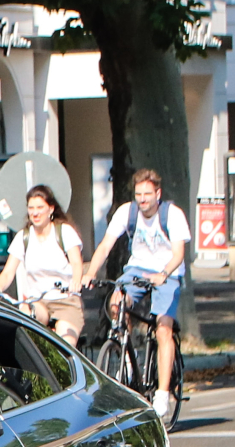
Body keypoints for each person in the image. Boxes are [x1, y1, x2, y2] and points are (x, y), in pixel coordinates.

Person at [78, 167, 191, 421]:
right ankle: (127, 356)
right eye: (138, 193)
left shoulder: (172, 214)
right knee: (117, 303)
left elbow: (179, 254)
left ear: (157, 194)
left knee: (163, 328)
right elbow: (106, 245)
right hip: (137, 270)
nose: (142, 199)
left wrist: (164, 273)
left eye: (147, 194)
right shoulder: (126, 212)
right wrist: (89, 273)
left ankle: (162, 394)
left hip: (167, 272)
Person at [0, 183, 85, 343]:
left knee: (65, 344)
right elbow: (8, 272)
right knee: (27, 320)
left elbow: (77, 263)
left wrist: (76, 281)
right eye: (31, 208)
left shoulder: (64, 232)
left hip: (65, 300)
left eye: (40, 207)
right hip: (38, 300)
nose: (35, 213)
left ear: (51, 209)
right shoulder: (24, 237)